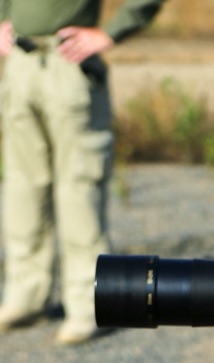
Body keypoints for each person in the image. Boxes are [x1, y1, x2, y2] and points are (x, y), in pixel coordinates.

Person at [0, 0, 165, 344]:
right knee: (22, 188)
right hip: (19, 65)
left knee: (79, 191)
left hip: (68, 63)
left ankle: (87, 306)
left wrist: (110, 32)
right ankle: (26, 296)